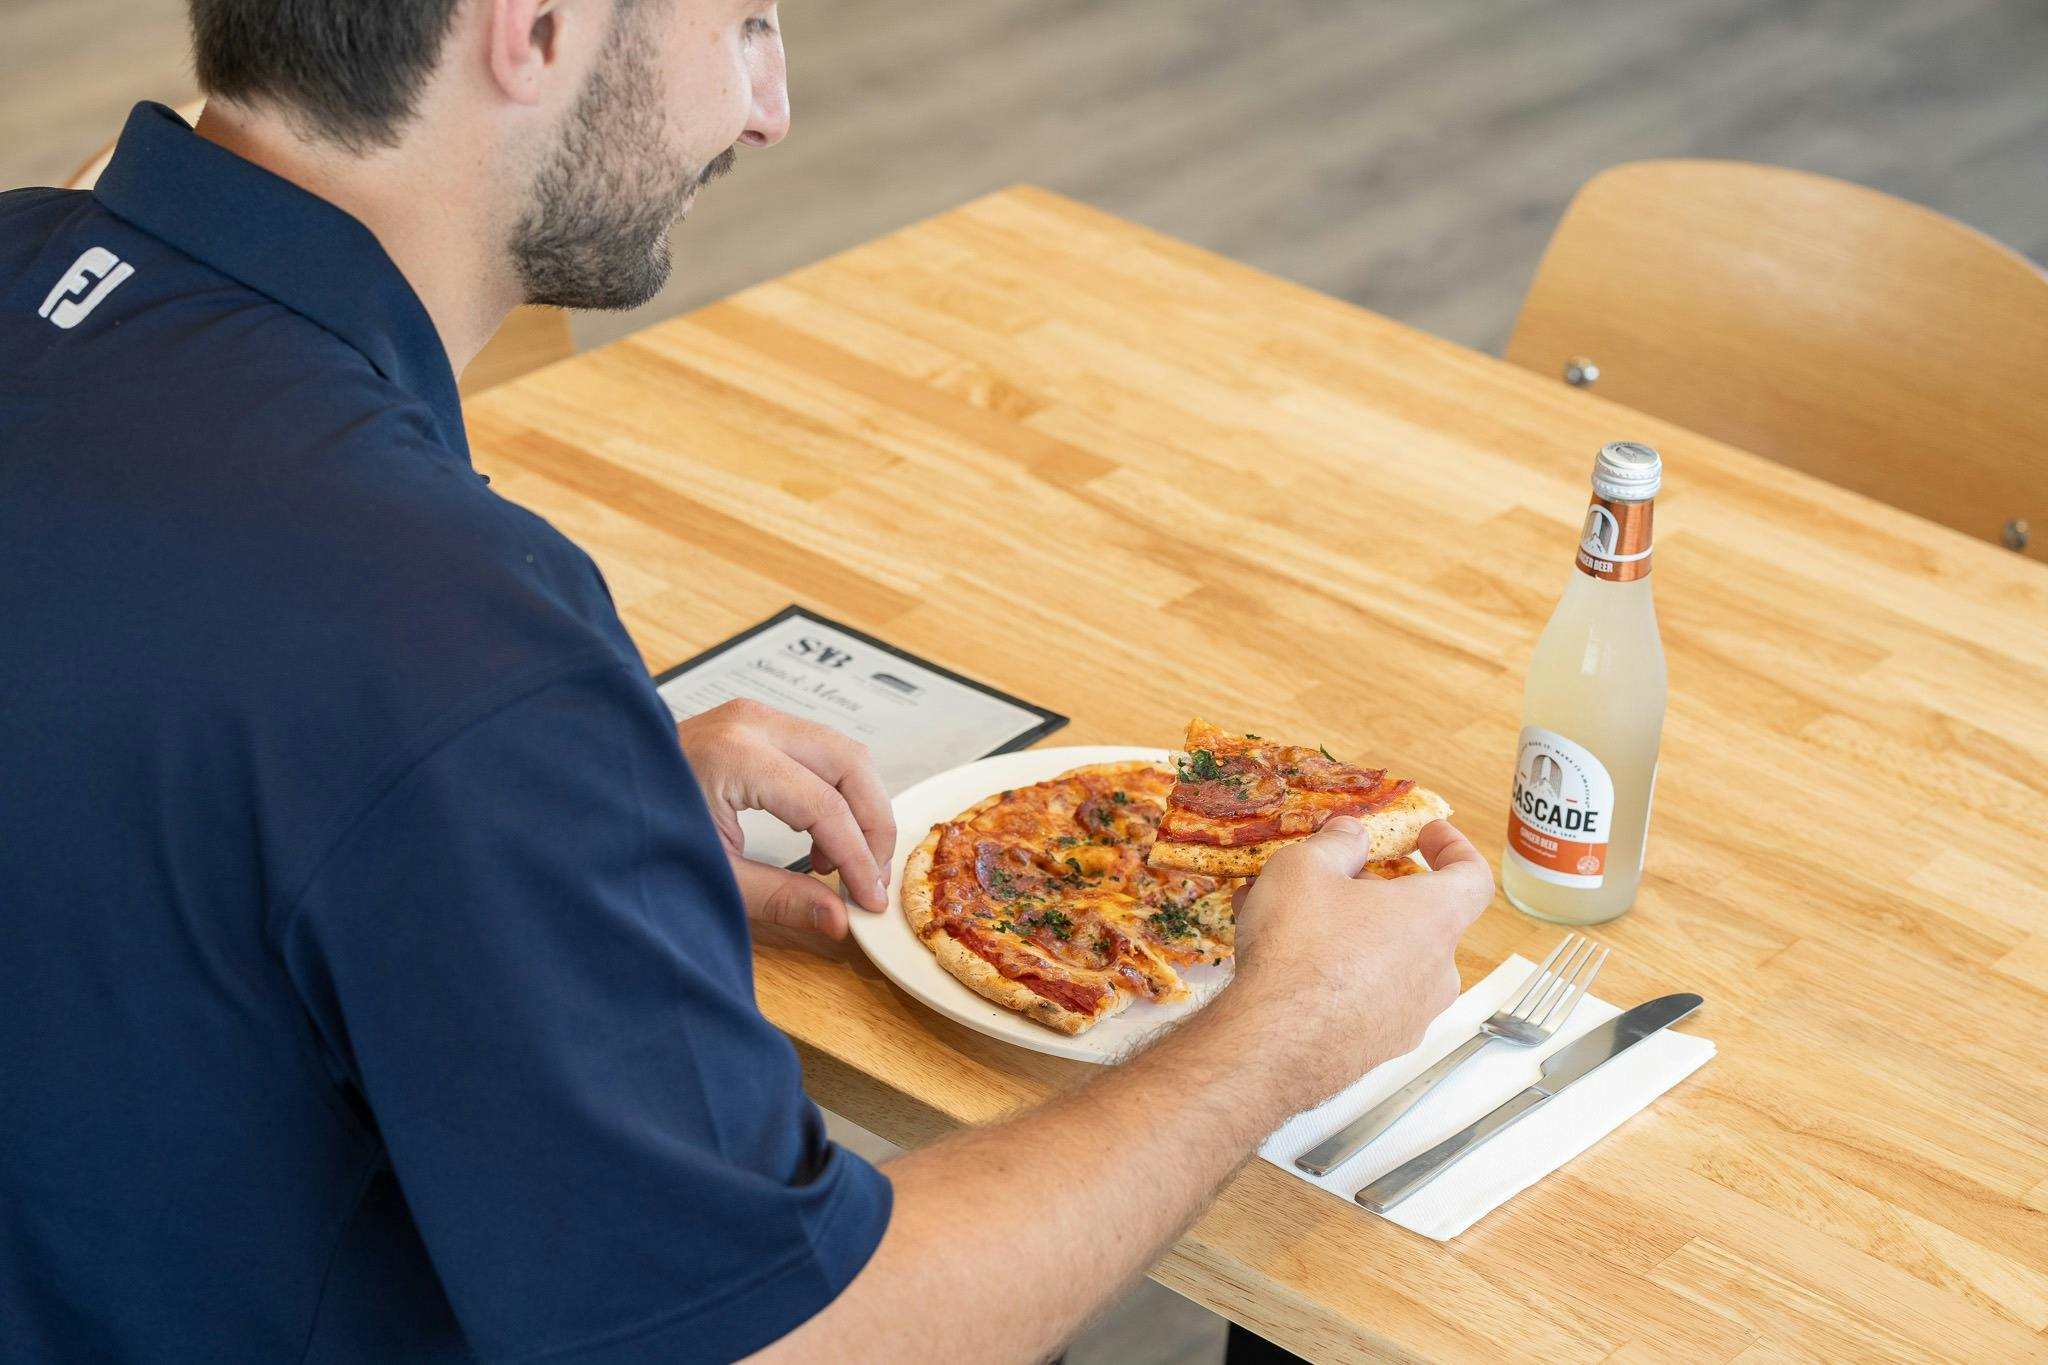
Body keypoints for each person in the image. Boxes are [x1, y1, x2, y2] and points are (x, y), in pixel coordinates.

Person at [0, 2, 1494, 1361]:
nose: (769, 109)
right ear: (536, 29)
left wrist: (537, 826)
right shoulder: (457, 644)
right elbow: (799, 1341)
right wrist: (1276, 1037)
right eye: (745, 23)